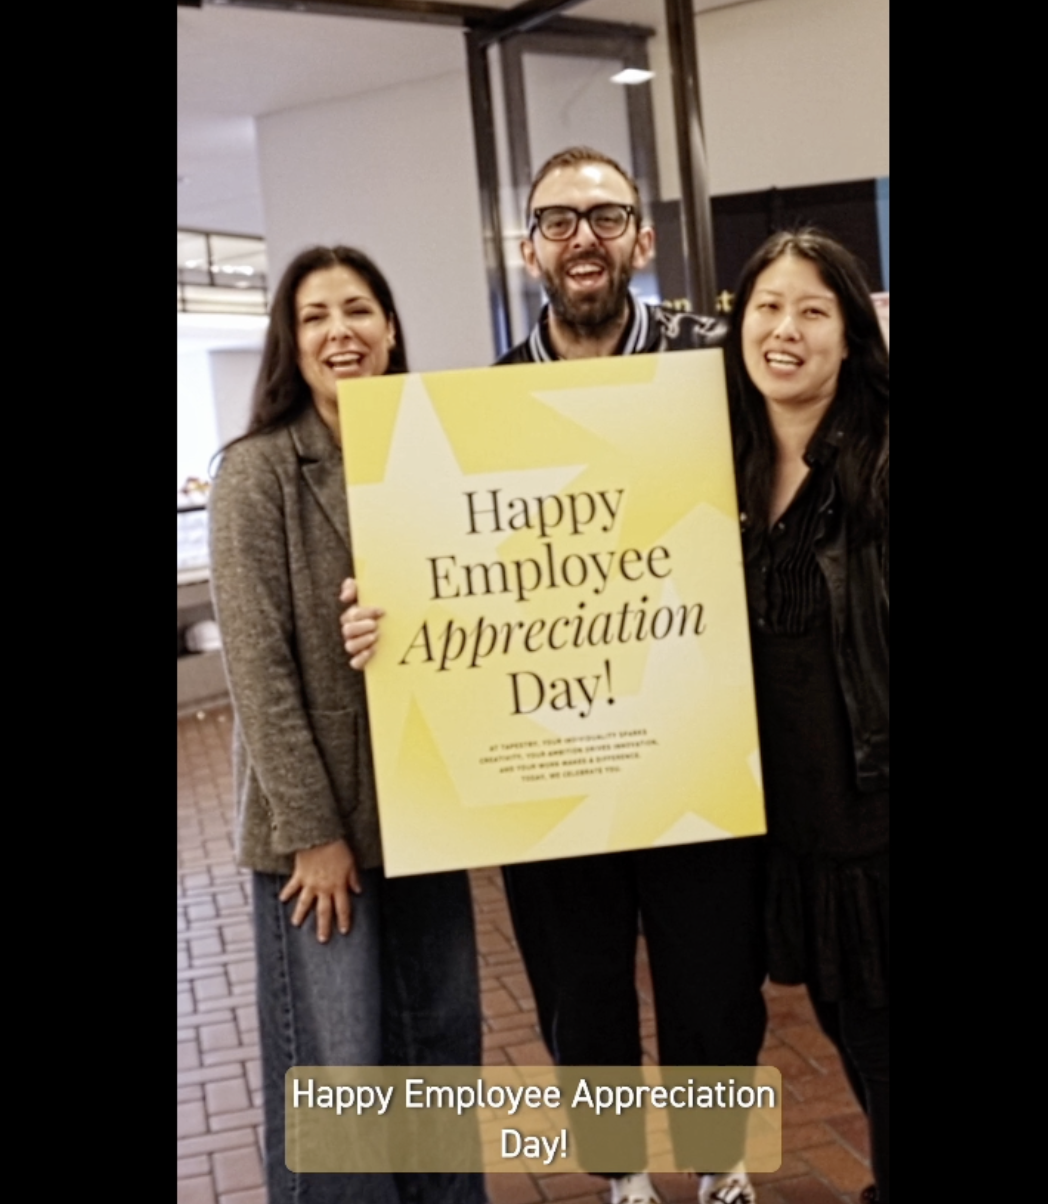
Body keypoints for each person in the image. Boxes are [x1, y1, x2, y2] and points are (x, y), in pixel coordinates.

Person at [342, 148, 765, 1204]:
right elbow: (446, 579)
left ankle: (717, 1169)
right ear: (526, 248)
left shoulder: (713, 373)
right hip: (549, 765)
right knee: (579, 986)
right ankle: (619, 1173)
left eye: (606, 214)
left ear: (643, 236)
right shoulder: (472, 417)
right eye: (558, 220)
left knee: (711, 974)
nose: (584, 235)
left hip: (692, 740)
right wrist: (382, 619)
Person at [208, 245, 485, 1204]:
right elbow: (256, 668)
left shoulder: (437, 456)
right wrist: (313, 838)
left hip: (425, 811)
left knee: (441, 1048)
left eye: (360, 310)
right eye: (317, 315)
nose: (341, 331)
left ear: (392, 327)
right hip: (315, 827)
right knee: (344, 1076)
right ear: (292, 340)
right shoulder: (256, 472)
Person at [725, 228, 890, 1202]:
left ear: (849, 332)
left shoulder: (878, 462)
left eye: (811, 309)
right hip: (795, 840)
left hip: (878, 830)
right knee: (854, 1046)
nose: (783, 329)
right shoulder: (720, 472)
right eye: (766, 307)